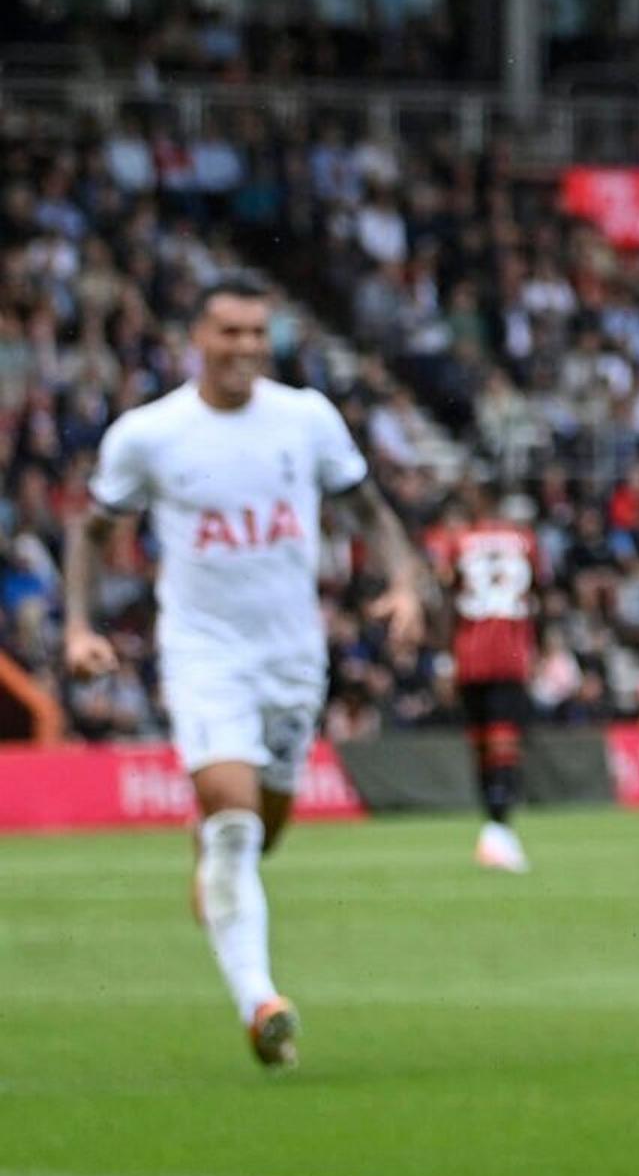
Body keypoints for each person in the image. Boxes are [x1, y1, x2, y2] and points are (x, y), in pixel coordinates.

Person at [62, 277, 433, 1068]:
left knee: (261, 829)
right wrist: (78, 627)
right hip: (204, 653)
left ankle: (214, 854)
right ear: (197, 336)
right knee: (234, 821)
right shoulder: (149, 433)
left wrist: (401, 583)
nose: (245, 348)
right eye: (229, 331)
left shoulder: (305, 419)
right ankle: (259, 1001)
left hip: (293, 656)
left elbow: (370, 509)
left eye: (257, 333)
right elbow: (92, 531)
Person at [430, 487, 547, 873]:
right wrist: (538, 649)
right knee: (505, 744)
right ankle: (499, 830)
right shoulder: (525, 542)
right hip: (510, 654)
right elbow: (537, 599)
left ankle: (494, 831)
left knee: (482, 744)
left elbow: (447, 601)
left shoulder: (460, 542)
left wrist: (445, 658)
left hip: (469, 653)